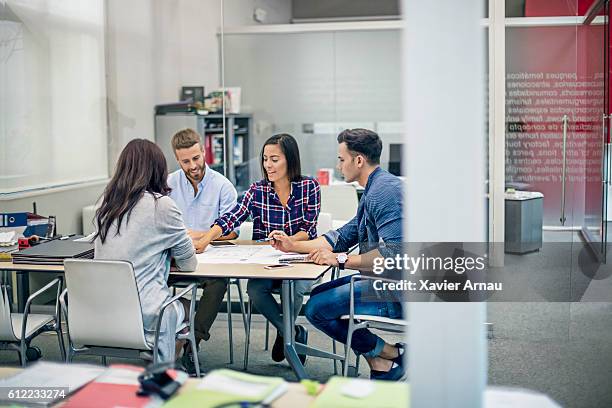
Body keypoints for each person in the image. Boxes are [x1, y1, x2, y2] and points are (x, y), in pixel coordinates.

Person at [271, 128, 405, 380]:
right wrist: (293, 246)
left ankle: (391, 354)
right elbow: (343, 236)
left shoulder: (384, 192)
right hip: (385, 282)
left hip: (399, 292)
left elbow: (395, 254)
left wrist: (341, 259)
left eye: (342, 159)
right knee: (319, 294)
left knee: (317, 309)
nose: (338, 165)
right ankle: (380, 360)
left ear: (359, 160)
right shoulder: (374, 188)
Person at [194, 133, 320, 363]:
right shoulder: (257, 191)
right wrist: (205, 240)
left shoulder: (309, 187)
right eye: (265, 159)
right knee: (254, 290)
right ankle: (290, 333)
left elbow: (308, 228)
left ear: (290, 160)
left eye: (274, 159)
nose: (267, 165)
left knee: (294, 288)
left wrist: (289, 241)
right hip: (267, 261)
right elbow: (231, 218)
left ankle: (285, 335)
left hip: (301, 256)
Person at [93, 139, 197, 364]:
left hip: (99, 313)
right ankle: (167, 363)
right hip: (147, 315)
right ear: (158, 170)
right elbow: (189, 265)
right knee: (188, 306)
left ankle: (160, 358)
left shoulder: (106, 205)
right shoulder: (162, 205)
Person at [167, 128, 238, 372]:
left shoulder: (222, 186)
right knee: (147, 275)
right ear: (178, 160)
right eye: (185, 161)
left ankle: (191, 346)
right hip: (176, 258)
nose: (193, 165)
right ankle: (157, 342)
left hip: (210, 260)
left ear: (203, 151)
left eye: (196, 158)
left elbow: (232, 231)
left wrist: (196, 235)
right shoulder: (168, 184)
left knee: (218, 283)